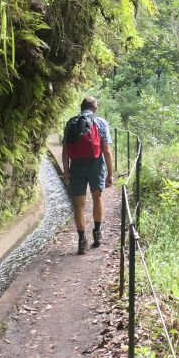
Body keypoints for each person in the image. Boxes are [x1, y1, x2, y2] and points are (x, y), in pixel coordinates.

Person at [60, 96, 115, 255]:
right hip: (95, 165)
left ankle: (82, 241)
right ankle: (97, 234)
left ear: (81, 106)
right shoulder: (101, 123)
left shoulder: (70, 123)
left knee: (78, 203)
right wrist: (110, 174)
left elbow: (65, 151)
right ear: (95, 108)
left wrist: (66, 170)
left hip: (76, 165)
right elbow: (107, 150)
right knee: (97, 197)